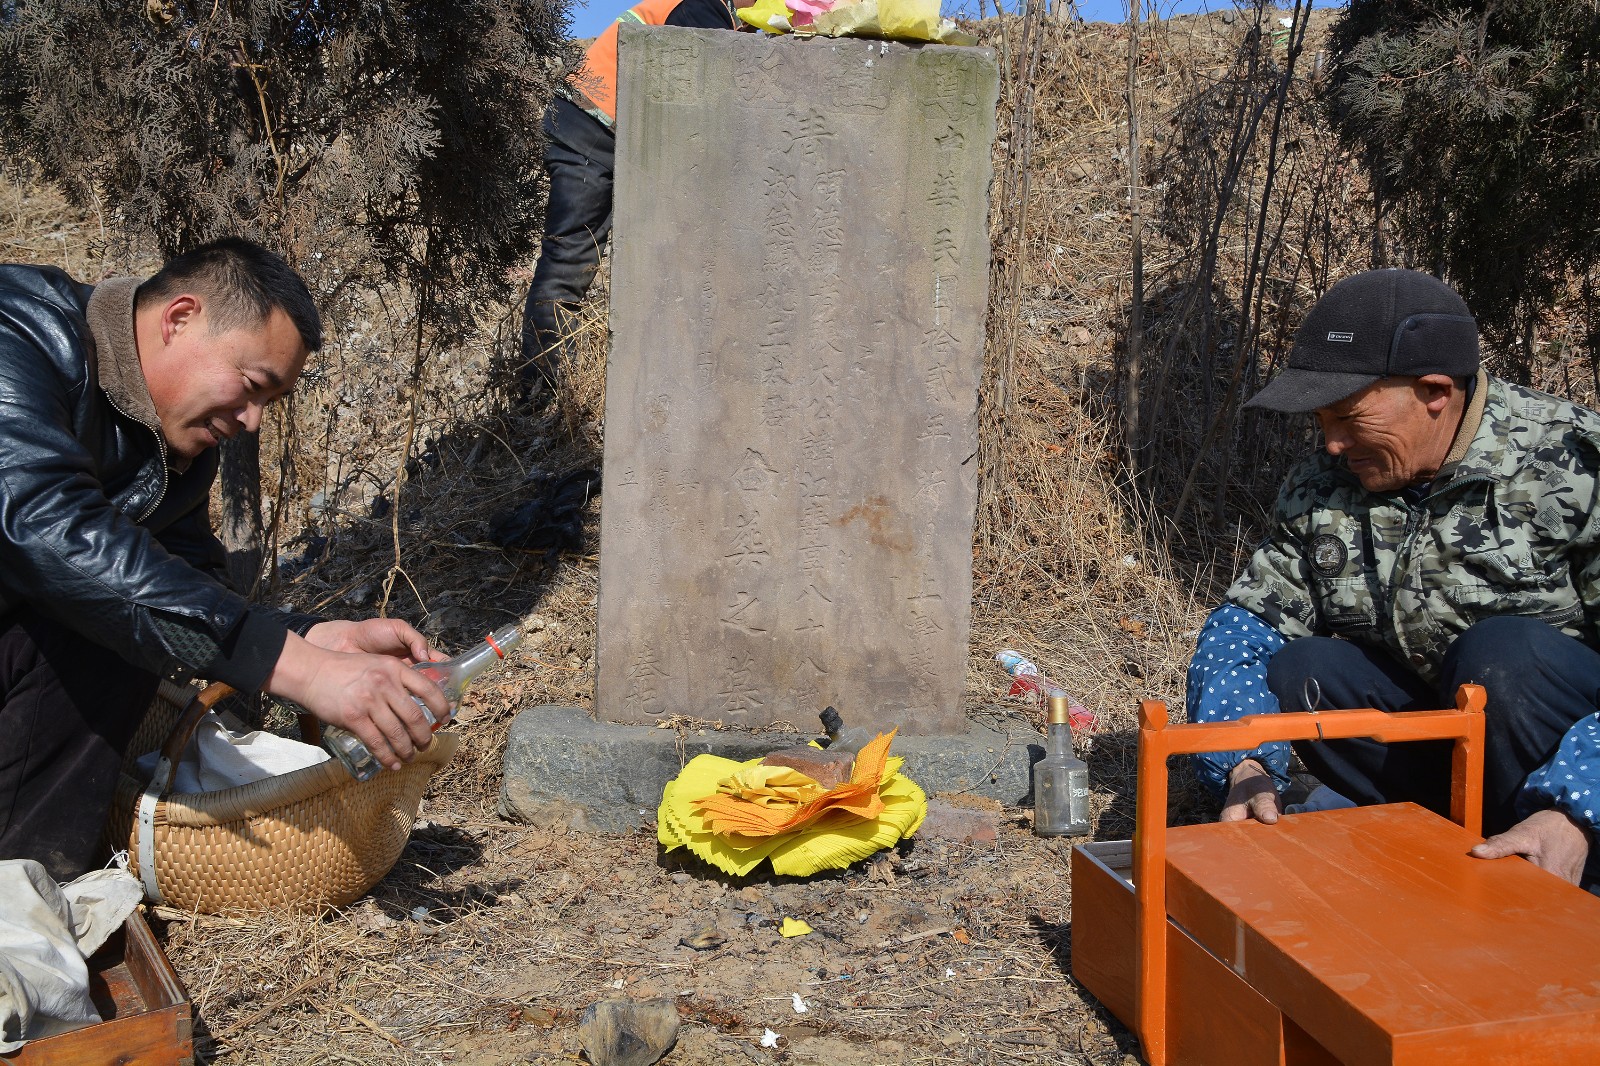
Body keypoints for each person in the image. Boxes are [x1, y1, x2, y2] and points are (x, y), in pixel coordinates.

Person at [0, 238, 452, 881]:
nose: (253, 422)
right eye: (251, 387)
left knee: (119, 628)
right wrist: (302, 672)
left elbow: (183, 594)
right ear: (179, 318)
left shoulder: (177, 451)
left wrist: (313, 639)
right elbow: (45, 526)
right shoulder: (20, 328)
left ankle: (24, 892)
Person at [1187, 267, 1600, 888]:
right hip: (1455, 751)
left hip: (1574, 758)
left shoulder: (1571, 465)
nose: (1330, 444)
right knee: (1304, 672)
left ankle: (1563, 855)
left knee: (1504, 656)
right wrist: (1241, 759)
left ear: (1435, 391)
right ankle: (1454, 849)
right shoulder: (1323, 487)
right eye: (1319, 422)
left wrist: (1577, 809)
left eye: (1347, 417)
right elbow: (1245, 626)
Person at [518, 0, 749, 398]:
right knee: (567, 262)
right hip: (588, 129)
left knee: (574, 258)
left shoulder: (707, 9)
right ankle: (541, 398)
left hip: (593, 125)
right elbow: (688, 109)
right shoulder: (702, 11)